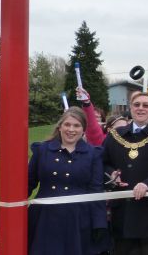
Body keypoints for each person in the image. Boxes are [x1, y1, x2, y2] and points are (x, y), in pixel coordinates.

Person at [102, 92, 148, 255]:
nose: (140, 108)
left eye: (146, 105)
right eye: (136, 105)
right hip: (123, 214)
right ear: (130, 108)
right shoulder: (115, 135)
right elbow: (103, 163)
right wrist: (111, 174)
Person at [27, 107, 107, 255]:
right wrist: (9, 209)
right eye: (67, 124)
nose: (71, 129)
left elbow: (96, 190)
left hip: (77, 220)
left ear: (83, 129)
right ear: (60, 126)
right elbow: (28, 183)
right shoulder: (42, 150)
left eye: (76, 125)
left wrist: (99, 222)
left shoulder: (92, 154)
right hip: (44, 218)